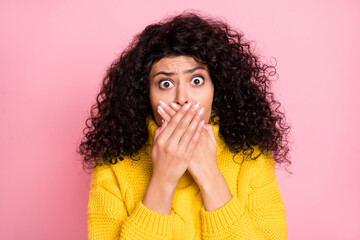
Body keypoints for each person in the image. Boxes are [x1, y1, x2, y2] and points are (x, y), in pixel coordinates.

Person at [79, 10, 291, 240]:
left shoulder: (253, 159)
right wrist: (163, 178)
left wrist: (210, 176)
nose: (182, 98)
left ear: (215, 88)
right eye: (166, 83)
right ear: (145, 95)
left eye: (197, 80)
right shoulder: (113, 168)